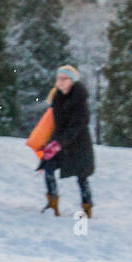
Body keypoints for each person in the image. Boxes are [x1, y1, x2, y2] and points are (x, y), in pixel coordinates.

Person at [37, 65, 95, 217]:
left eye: (64, 78)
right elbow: (56, 125)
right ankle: (52, 202)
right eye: (58, 78)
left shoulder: (80, 99)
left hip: (79, 145)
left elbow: (77, 127)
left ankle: (87, 207)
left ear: (72, 80)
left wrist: (58, 144)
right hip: (60, 143)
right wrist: (50, 143)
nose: (60, 82)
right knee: (48, 167)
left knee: (82, 177)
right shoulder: (57, 98)